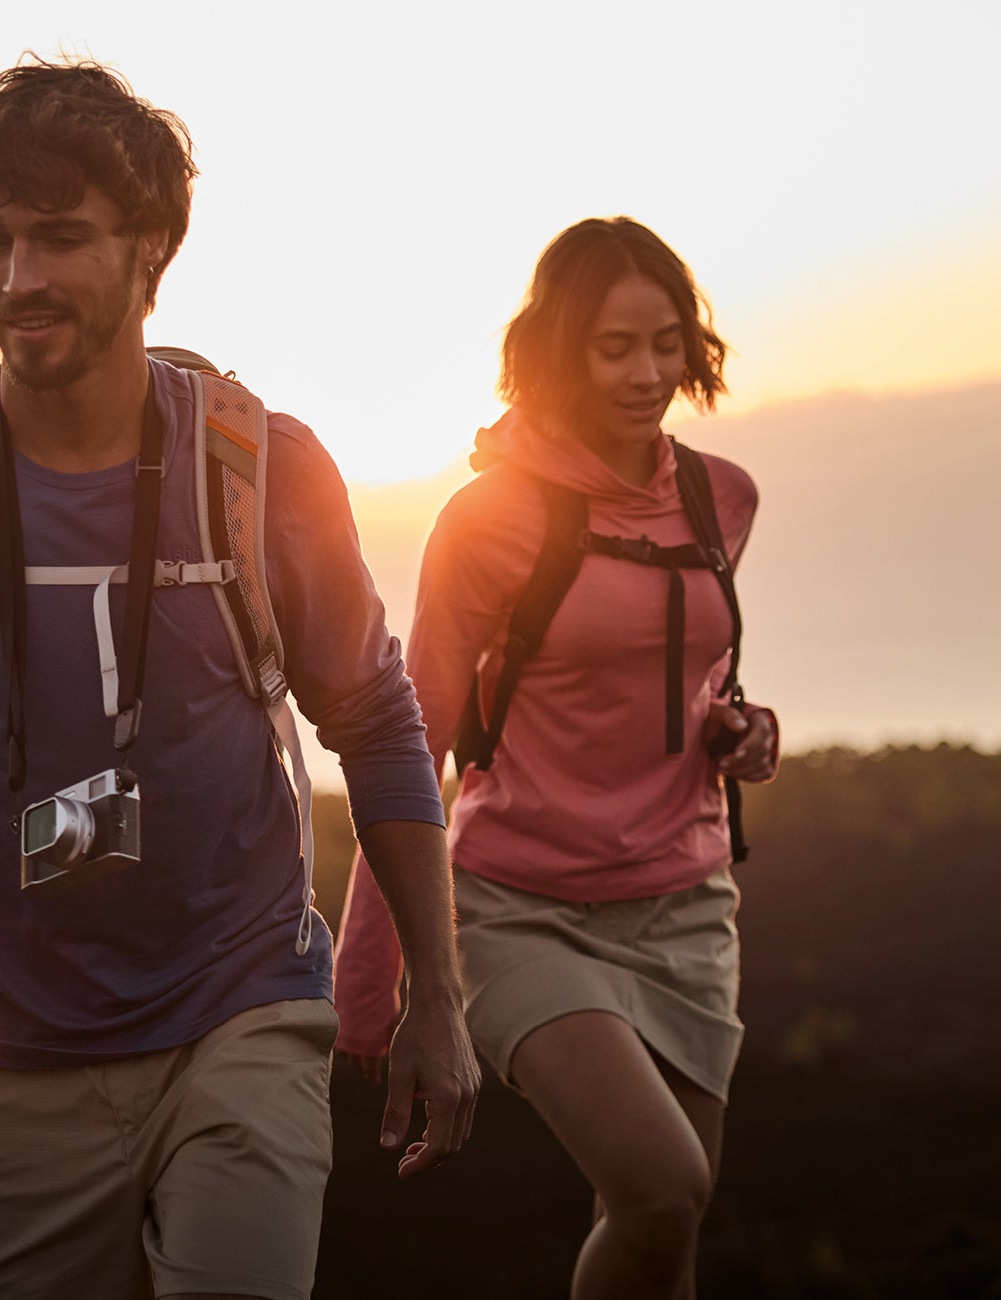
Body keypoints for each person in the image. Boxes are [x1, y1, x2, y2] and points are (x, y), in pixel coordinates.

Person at [0, 57, 479, 1300]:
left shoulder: (260, 468)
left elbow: (376, 721)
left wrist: (437, 997)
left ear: (152, 251)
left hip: (241, 1004)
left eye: (61, 239)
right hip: (3, 1054)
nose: (18, 281)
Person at [331, 217, 780, 1300]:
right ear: (558, 349)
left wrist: (740, 728)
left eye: (665, 342)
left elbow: (685, 678)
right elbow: (414, 737)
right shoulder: (491, 520)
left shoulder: (722, 499)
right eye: (614, 346)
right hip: (518, 907)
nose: (647, 372)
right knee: (663, 1188)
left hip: (684, 907)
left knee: (660, 1233)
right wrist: (368, 975)